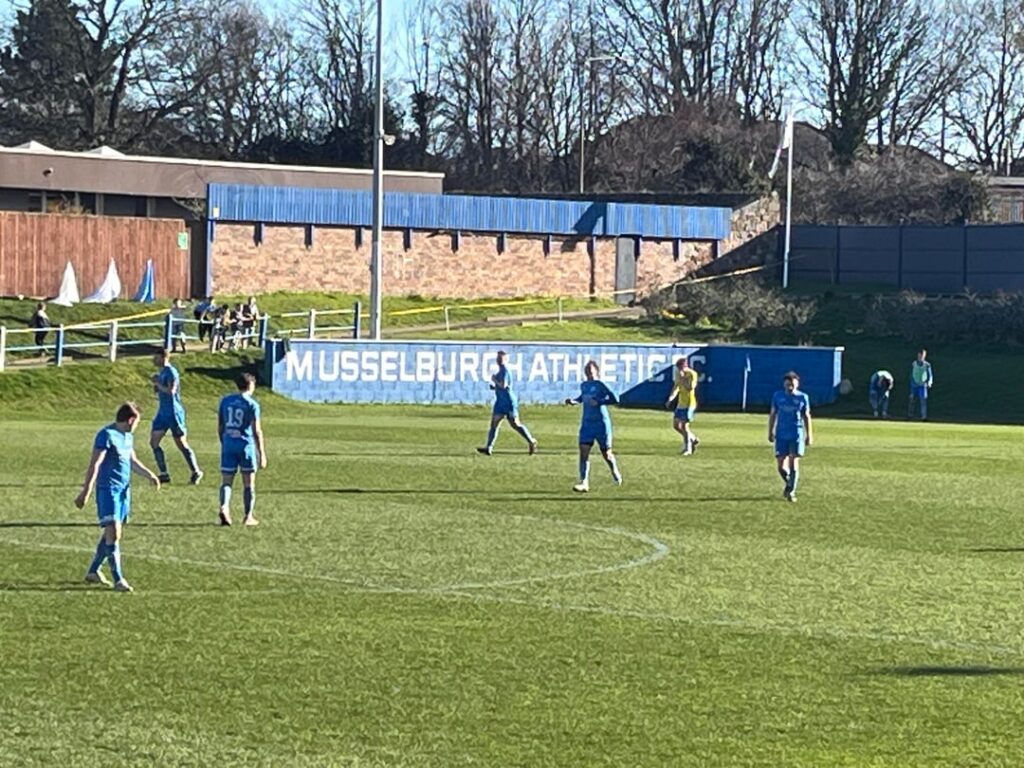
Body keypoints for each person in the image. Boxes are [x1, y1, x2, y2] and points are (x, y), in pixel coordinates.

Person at [74, 402, 160, 592]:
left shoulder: (127, 437)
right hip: (108, 490)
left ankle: (93, 571)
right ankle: (118, 580)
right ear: (130, 420)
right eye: (137, 421)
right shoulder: (106, 435)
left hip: (123, 491)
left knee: (110, 533)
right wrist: (86, 491)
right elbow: (95, 464)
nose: (137, 425)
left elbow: (132, 461)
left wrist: (149, 475)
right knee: (114, 531)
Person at [218, 372, 267, 526]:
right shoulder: (252, 404)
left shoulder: (225, 401)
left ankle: (224, 507)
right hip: (246, 446)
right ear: (251, 386)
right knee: (248, 483)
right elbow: (256, 431)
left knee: (227, 481)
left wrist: (224, 442)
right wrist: (262, 454)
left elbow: (220, 426)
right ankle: (248, 516)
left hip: (228, 444)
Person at [565, 360, 622, 493]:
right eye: (587, 370)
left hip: (601, 423)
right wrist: (574, 401)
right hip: (587, 424)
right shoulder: (584, 385)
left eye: (591, 370)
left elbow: (615, 399)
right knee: (584, 453)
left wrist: (600, 401)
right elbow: (582, 398)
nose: (589, 372)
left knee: (606, 454)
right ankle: (584, 482)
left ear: (596, 370)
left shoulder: (601, 385)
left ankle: (615, 473)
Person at [150, 350, 203, 485]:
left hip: (173, 412)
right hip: (163, 412)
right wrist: (156, 387)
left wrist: (158, 384)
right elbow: (161, 390)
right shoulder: (162, 372)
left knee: (181, 444)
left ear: (163, 357)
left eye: (155, 356)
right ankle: (164, 474)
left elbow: (171, 391)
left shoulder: (171, 372)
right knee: (154, 442)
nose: (153, 359)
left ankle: (195, 471)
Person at [477, 350, 538, 456]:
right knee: (494, 424)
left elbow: (504, 385)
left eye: (501, 358)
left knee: (515, 424)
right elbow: (501, 386)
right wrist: (494, 387)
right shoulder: (500, 371)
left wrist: (494, 380)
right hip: (500, 402)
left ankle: (531, 441)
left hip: (508, 402)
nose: (498, 360)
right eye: (498, 358)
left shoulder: (505, 370)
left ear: (505, 360)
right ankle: (489, 448)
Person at [768, 371, 813, 503]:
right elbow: (773, 414)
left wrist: (809, 434)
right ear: (784, 385)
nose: (790, 387)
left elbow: (806, 416)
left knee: (794, 462)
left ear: (797, 384)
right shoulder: (777, 396)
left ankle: (791, 491)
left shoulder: (803, 397)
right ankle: (789, 483)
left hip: (796, 433)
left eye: (792, 385)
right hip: (781, 434)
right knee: (781, 465)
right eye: (788, 385)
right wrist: (770, 431)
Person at [665, 357, 700, 454]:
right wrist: (671, 398)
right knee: (676, 425)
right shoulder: (678, 374)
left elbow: (690, 388)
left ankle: (688, 448)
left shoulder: (692, 374)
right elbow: (676, 387)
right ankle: (692, 438)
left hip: (689, 403)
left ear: (685, 366)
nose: (679, 371)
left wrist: (683, 378)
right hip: (681, 403)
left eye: (681, 368)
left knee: (685, 426)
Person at [908, 349, 933, 420]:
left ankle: (923, 416)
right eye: (920, 355)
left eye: (923, 355)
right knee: (911, 400)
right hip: (914, 385)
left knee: (923, 401)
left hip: (922, 385)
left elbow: (930, 375)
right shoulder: (914, 364)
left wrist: (929, 382)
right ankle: (910, 415)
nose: (921, 357)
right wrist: (912, 383)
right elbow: (911, 374)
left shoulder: (927, 365)